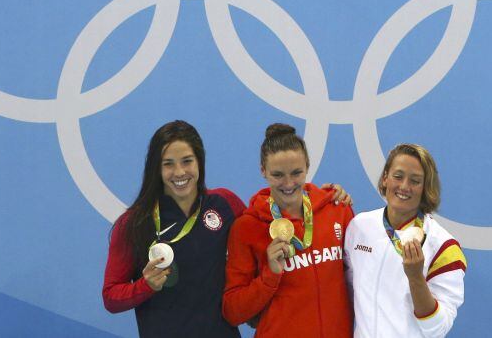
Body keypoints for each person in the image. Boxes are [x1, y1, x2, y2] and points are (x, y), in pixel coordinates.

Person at [102, 120, 349, 337]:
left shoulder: (224, 204)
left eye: (187, 161)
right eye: (168, 164)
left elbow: (267, 218)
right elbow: (111, 297)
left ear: (199, 161)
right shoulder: (134, 224)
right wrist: (144, 286)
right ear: (156, 168)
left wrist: (323, 198)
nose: (180, 172)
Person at [222, 123, 355, 338]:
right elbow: (233, 312)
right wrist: (269, 276)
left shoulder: (337, 210)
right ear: (263, 170)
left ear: (308, 166)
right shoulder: (246, 227)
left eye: (296, 173)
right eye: (277, 175)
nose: (289, 183)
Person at [344, 144, 467, 338]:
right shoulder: (359, 227)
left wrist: (415, 277)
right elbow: (348, 294)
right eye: (398, 176)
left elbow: (437, 328)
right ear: (385, 178)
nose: (404, 187)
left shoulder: (444, 247)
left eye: (415, 181)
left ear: (426, 188)